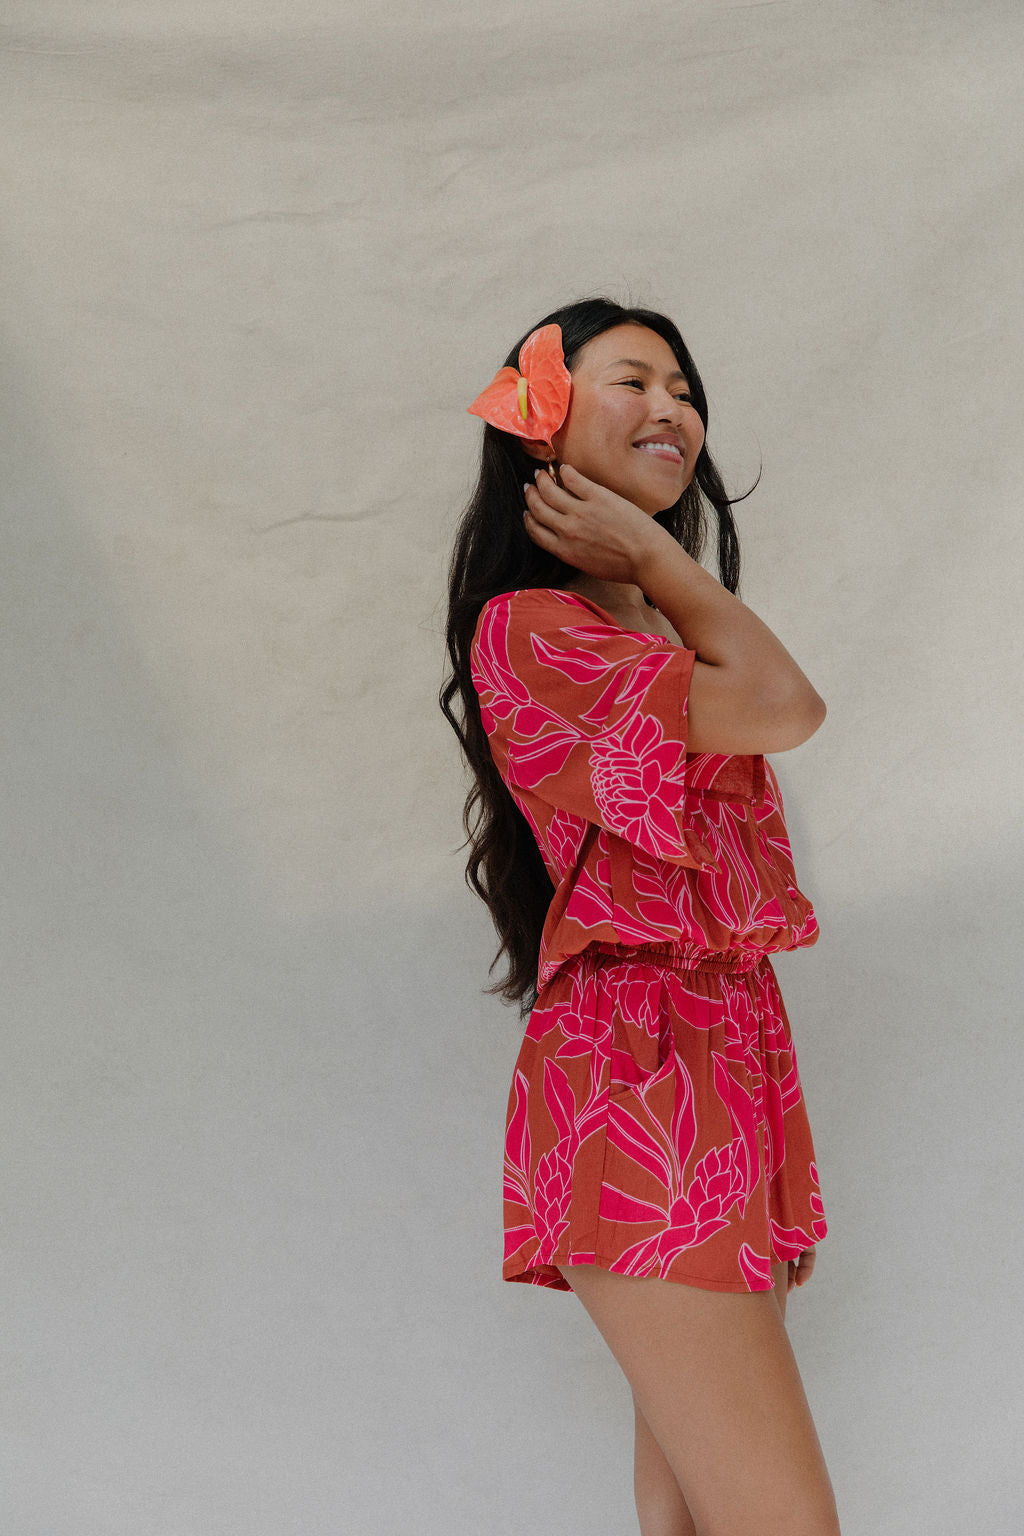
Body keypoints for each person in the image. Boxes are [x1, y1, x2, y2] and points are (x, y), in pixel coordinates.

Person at [439, 297, 842, 1536]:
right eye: (630, 381)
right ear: (543, 426)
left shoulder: (654, 630)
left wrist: (663, 582)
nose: (671, 406)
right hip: (638, 1072)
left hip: (720, 1053)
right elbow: (784, 706)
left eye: (683, 387)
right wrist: (668, 557)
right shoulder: (534, 630)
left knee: (691, 1518)